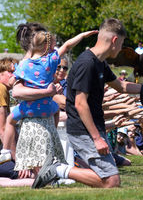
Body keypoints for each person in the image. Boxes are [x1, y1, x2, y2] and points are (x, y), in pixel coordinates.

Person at [32, 18, 143, 189]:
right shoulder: (87, 64)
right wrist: (97, 138)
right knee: (111, 181)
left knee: (110, 179)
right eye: (121, 43)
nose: (121, 48)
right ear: (115, 40)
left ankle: (59, 169)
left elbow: (120, 86)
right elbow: (80, 103)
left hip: (93, 128)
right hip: (83, 130)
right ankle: (57, 169)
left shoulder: (100, 63)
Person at [0, 28, 98, 165]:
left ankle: (4, 151)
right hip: (47, 107)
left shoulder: (24, 64)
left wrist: (14, 80)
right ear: (47, 46)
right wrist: (82, 35)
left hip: (28, 108)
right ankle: (53, 133)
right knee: (57, 109)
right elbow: (68, 45)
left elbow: (12, 82)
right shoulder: (51, 60)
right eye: (52, 45)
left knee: (10, 120)